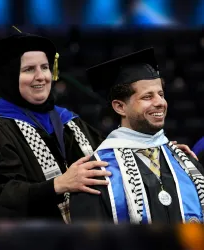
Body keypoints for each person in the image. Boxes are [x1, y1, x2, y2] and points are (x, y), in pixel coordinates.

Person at [0, 33, 111, 221]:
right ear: (11, 76)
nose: (41, 77)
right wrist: (56, 185)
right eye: (29, 69)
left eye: (45, 67)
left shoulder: (70, 122)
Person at [70, 47, 204, 224]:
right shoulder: (94, 173)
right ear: (120, 107)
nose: (160, 103)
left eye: (161, 94)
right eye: (147, 97)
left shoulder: (184, 161)